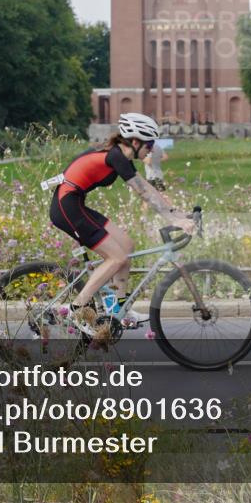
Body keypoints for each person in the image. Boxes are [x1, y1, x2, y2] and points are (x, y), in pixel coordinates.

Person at [50, 113, 195, 336]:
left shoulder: (119, 156)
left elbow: (147, 186)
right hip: (66, 207)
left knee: (126, 246)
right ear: (135, 142)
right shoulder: (116, 156)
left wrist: (177, 214)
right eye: (149, 144)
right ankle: (76, 308)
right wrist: (174, 219)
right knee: (116, 258)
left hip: (74, 203)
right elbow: (143, 191)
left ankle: (118, 310)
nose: (151, 149)